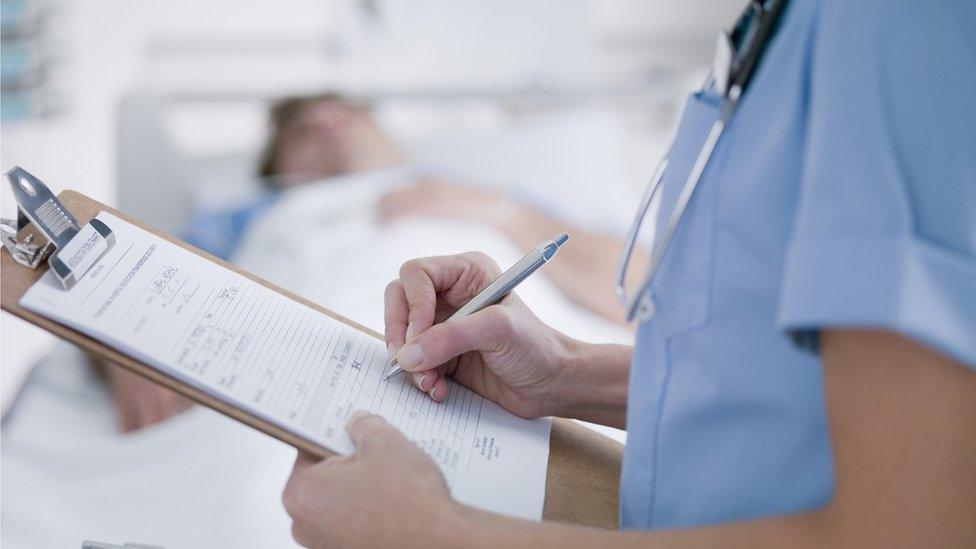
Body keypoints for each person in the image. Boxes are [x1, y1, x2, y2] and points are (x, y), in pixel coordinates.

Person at [280, 1, 976, 547]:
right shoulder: (805, 27)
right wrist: (568, 371)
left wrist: (435, 537)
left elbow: (911, 533)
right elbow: (799, 393)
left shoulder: (900, 24)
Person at [103, 93, 632, 430]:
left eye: (348, 114)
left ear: (388, 137)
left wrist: (501, 211)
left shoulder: (475, 192)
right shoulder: (251, 215)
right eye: (305, 131)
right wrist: (122, 347)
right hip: (293, 370)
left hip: (515, 369)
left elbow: (639, 289)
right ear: (279, 167)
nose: (331, 123)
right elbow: (139, 275)